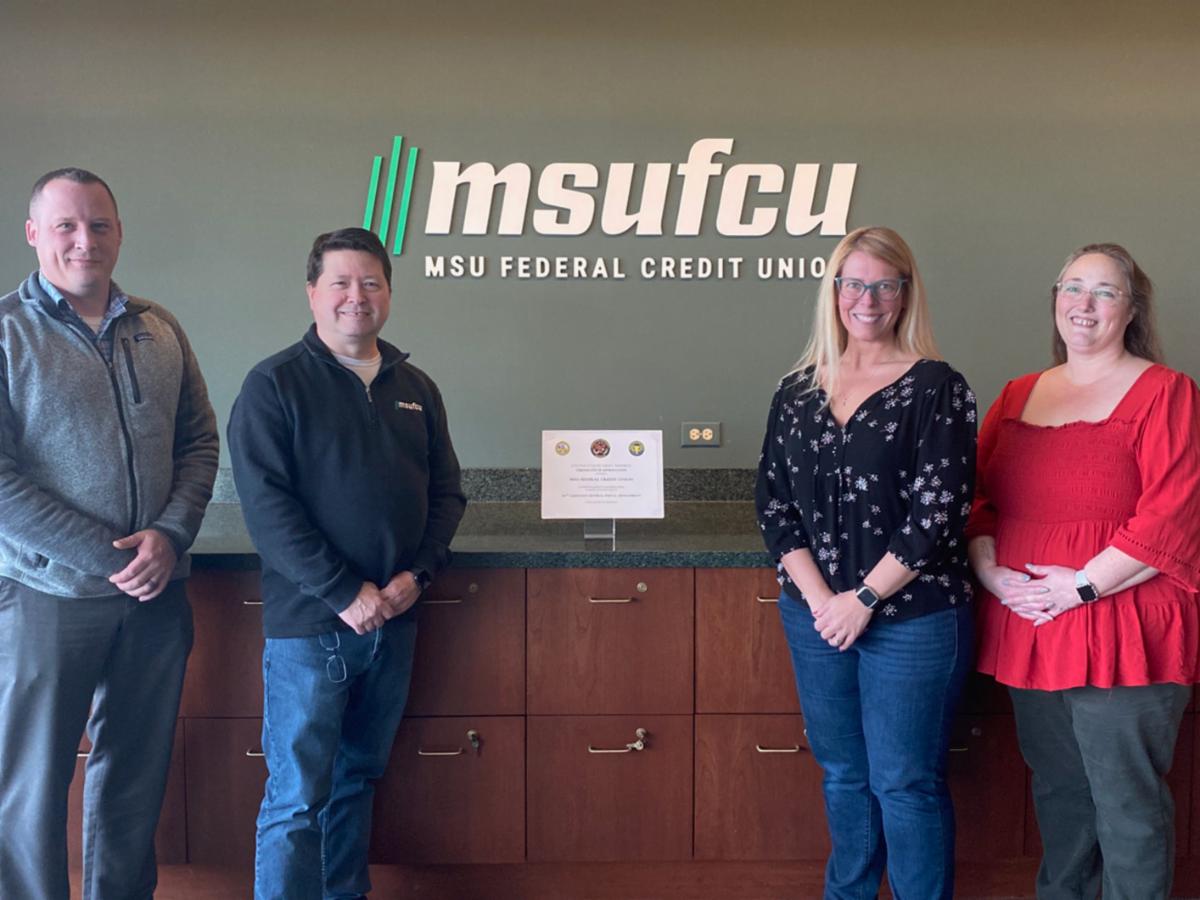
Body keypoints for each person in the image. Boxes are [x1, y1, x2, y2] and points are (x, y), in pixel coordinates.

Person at [228, 226, 466, 899]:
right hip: (312, 628)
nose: (356, 296)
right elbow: (267, 509)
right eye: (340, 282)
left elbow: (447, 494)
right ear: (312, 292)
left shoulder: (415, 386)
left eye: (371, 282)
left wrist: (417, 577)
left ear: (388, 293)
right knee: (297, 798)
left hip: (393, 624)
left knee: (356, 780)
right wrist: (343, 592)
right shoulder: (274, 384)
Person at [0, 168, 219, 899]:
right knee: (32, 786)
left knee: (134, 780)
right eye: (65, 225)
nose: (83, 240)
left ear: (119, 232)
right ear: (34, 234)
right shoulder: (6, 332)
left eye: (98, 224)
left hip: (155, 595)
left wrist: (171, 534)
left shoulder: (159, 328)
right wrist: (110, 557)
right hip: (49, 596)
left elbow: (199, 441)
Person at [968, 243, 1200, 900]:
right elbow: (977, 501)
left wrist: (1081, 585)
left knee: (1126, 804)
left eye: (1104, 291)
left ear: (1132, 309)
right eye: (1072, 288)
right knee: (1062, 797)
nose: (1084, 304)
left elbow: (1175, 514)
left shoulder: (1168, 393)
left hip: (1126, 626)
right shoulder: (1018, 395)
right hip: (1032, 624)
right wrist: (992, 575)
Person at [755, 226, 977, 899]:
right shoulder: (796, 391)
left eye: (884, 285)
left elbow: (939, 512)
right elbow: (773, 505)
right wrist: (824, 601)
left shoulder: (937, 387)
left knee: (904, 782)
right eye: (853, 283)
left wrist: (865, 599)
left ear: (905, 294)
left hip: (914, 617)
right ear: (834, 291)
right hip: (816, 616)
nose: (867, 299)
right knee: (844, 776)